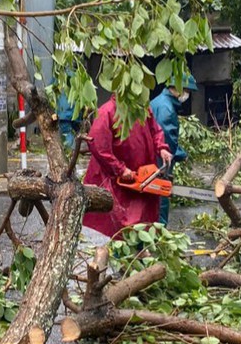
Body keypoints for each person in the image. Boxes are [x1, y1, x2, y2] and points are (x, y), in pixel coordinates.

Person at [83, 94, 172, 238]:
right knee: (119, 226)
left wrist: (162, 148)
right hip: (116, 179)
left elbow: (155, 130)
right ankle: (121, 254)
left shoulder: (142, 109)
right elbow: (98, 145)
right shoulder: (107, 111)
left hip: (143, 175)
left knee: (143, 220)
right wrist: (120, 169)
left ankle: (140, 250)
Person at [150, 73, 194, 224]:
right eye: (187, 90)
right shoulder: (166, 109)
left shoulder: (159, 101)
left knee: (153, 193)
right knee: (161, 194)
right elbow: (167, 140)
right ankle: (160, 231)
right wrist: (181, 154)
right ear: (179, 88)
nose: (187, 95)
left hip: (152, 155)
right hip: (160, 159)